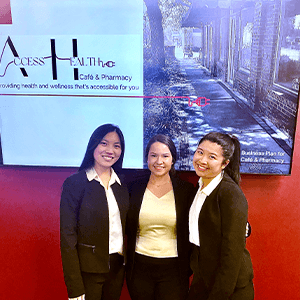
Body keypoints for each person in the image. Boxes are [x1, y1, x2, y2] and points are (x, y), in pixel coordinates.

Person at [60, 124, 129, 300]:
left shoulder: (122, 184)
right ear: (93, 145)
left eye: (116, 145)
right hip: (87, 272)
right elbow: (68, 238)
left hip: (116, 270)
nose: (110, 150)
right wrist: (74, 286)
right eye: (104, 143)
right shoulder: (75, 184)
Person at [126, 134, 194, 300]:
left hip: (174, 269)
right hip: (139, 267)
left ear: (173, 160)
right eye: (153, 155)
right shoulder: (134, 187)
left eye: (165, 156)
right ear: (147, 158)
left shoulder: (186, 191)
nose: (159, 161)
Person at [188, 132, 254, 300]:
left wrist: (219, 294)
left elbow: (232, 254)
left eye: (212, 157)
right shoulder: (201, 185)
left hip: (229, 286)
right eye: (200, 152)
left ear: (224, 163)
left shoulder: (230, 194)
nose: (202, 160)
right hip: (204, 278)